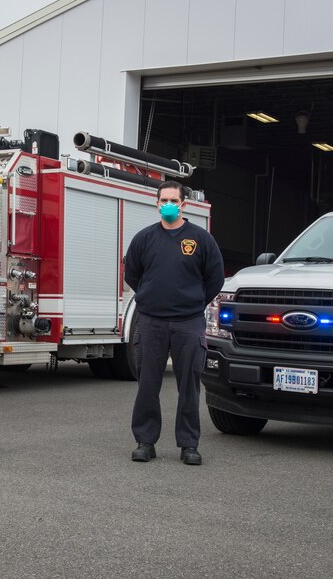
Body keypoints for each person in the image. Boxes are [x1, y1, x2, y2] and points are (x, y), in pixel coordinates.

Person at [124, 180, 224, 465]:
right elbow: (133, 273)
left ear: (184, 204)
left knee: (189, 386)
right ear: (156, 203)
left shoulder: (201, 239)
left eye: (173, 200)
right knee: (147, 384)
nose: (167, 205)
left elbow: (214, 278)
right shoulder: (144, 239)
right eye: (163, 200)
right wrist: (151, 296)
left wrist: (193, 302)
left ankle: (189, 445)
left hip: (188, 323)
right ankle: (145, 441)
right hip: (151, 321)